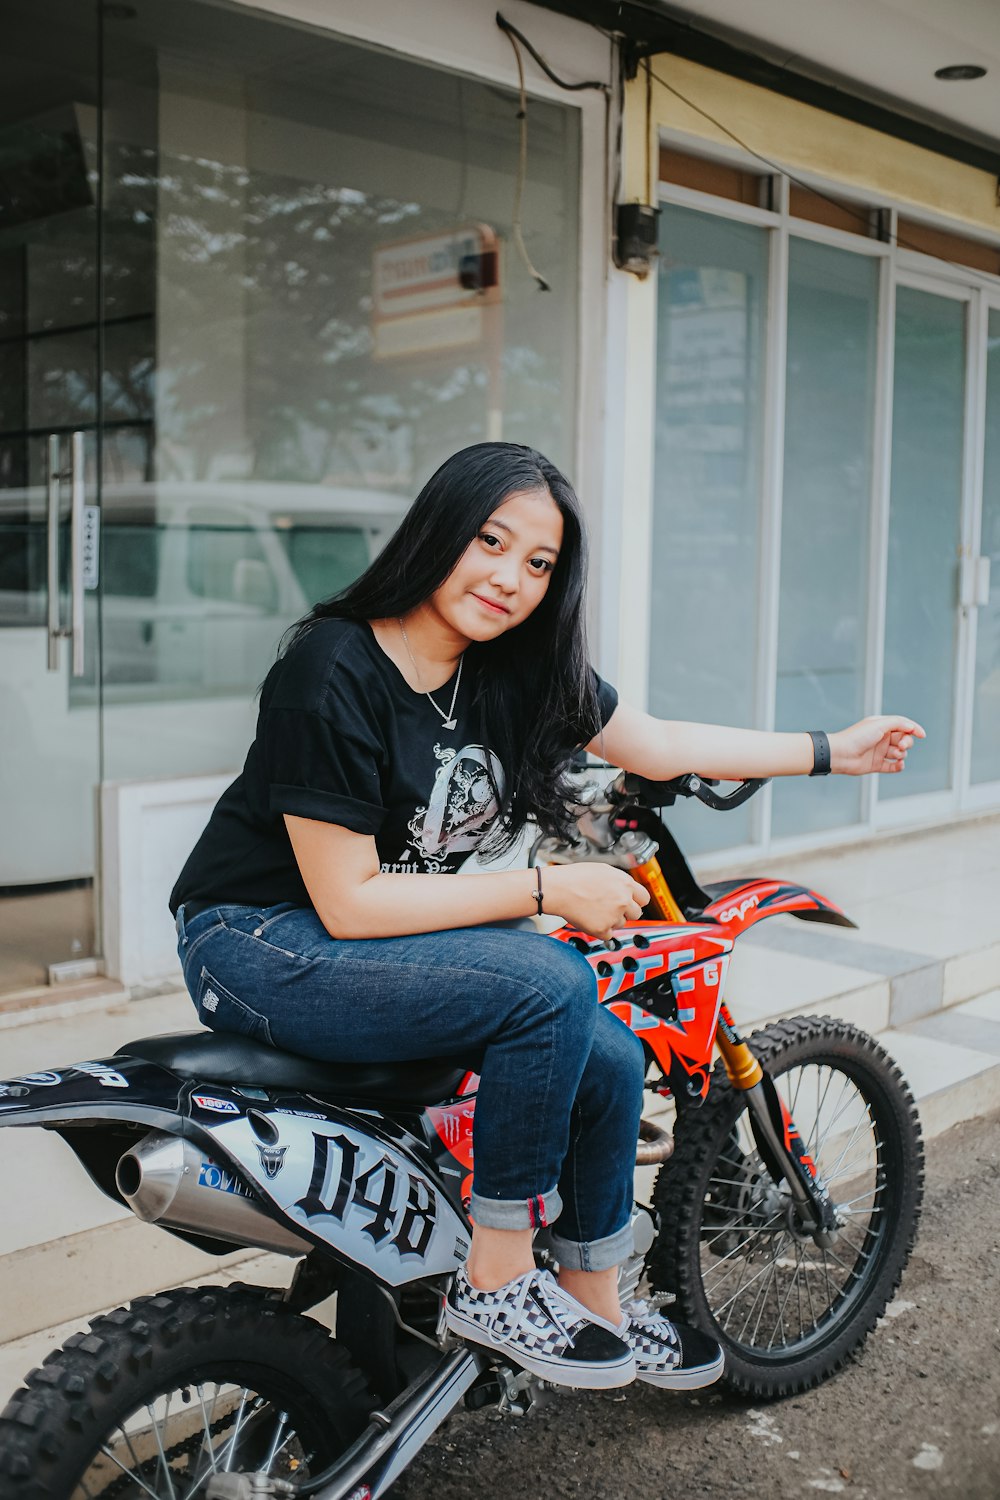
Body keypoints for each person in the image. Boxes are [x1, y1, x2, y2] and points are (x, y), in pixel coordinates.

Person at [170, 441, 924, 1394]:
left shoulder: (513, 671)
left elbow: (657, 743)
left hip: (374, 934)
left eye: (539, 565)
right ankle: (495, 1278)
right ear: (438, 529)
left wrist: (834, 751)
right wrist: (546, 891)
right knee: (551, 982)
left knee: (606, 1050)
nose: (511, 579)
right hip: (255, 939)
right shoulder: (333, 669)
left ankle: (593, 1297)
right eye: (492, 541)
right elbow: (348, 900)